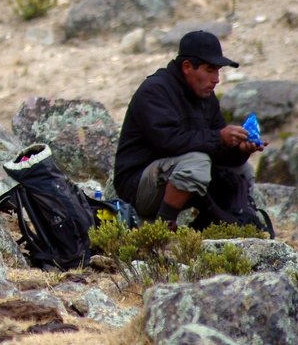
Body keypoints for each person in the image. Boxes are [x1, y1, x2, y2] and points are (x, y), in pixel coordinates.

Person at [114, 30, 266, 231]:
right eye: (210, 70)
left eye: (218, 71)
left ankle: (213, 226)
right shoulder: (155, 91)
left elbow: (216, 150)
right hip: (137, 187)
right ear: (187, 67)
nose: (216, 79)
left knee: (242, 170)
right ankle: (161, 230)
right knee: (197, 163)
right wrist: (219, 137)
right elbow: (168, 142)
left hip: (174, 174)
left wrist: (239, 150)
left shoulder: (206, 98)